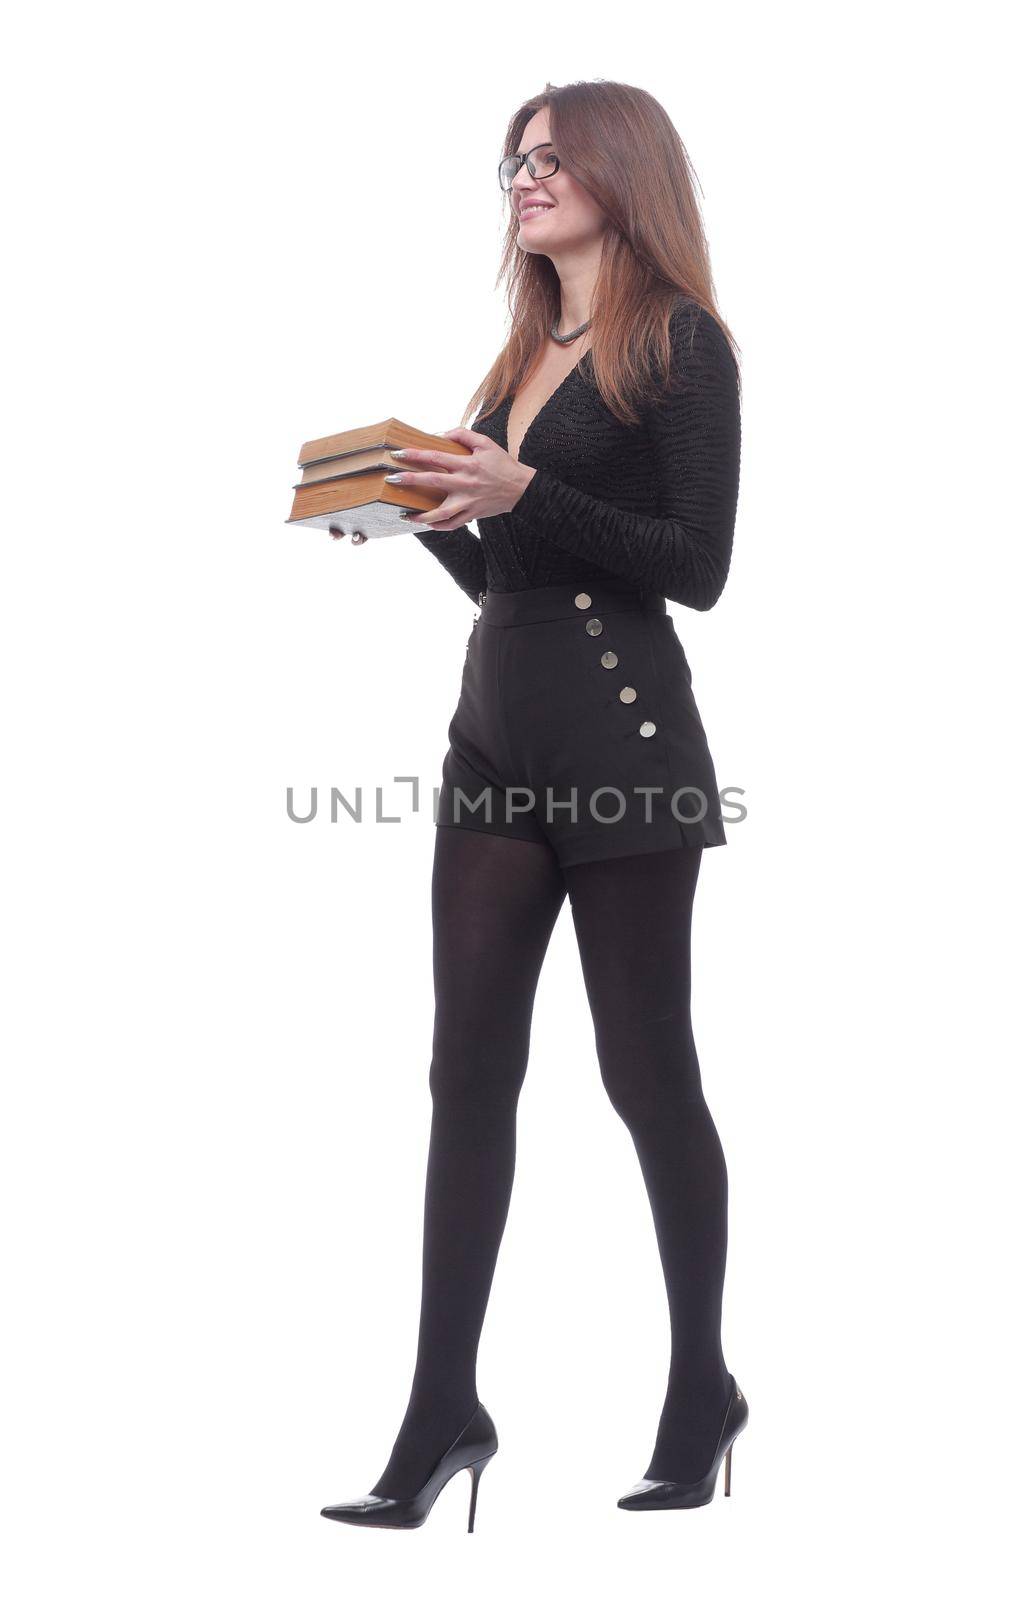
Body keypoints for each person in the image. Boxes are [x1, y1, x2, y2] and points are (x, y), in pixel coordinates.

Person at [320, 79, 748, 1532]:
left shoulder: (682, 343)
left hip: (624, 741)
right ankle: (442, 1409)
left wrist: (517, 494)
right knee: (465, 1081)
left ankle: (700, 1391)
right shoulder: (516, 356)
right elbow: (510, 567)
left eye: (552, 157)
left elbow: (693, 564)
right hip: (492, 742)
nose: (525, 177)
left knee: (644, 1078)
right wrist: (431, 513)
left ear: (623, 172)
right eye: (515, 160)